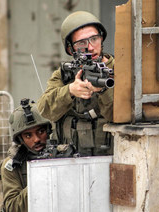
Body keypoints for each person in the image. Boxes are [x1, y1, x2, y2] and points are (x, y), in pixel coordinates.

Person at [37, 11, 114, 156]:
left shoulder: (120, 69)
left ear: (102, 38)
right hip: (71, 158)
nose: (90, 47)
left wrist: (103, 91)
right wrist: (70, 91)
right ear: (70, 49)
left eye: (94, 38)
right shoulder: (64, 74)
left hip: (110, 157)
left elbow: (123, 117)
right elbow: (45, 109)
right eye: (81, 43)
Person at [0, 98, 73, 212]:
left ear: (48, 131)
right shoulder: (11, 165)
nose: (37, 139)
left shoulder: (60, 154)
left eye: (40, 132)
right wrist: (40, 176)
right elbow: (12, 207)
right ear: (20, 139)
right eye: (28, 136)